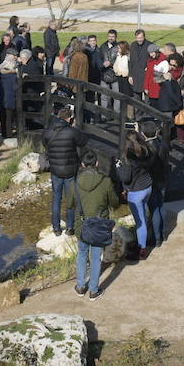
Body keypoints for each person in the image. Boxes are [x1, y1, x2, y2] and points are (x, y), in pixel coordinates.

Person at [69, 149, 118, 300]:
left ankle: (80, 286)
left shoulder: (74, 183)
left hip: (81, 225)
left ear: (82, 164)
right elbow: (114, 203)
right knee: (96, 257)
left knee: (82, 254)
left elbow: (70, 204)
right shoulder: (106, 181)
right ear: (97, 163)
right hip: (99, 225)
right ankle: (93, 290)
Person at [43, 107, 88, 236]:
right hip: (70, 170)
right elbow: (83, 142)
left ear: (58, 117)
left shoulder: (47, 131)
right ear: (69, 119)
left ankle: (56, 228)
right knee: (70, 199)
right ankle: (70, 227)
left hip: (55, 169)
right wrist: (74, 127)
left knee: (56, 198)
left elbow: (44, 144)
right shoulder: (72, 131)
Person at [117, 131, 155, 259]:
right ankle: (145, 240)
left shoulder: (128, 157)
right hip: (147, 186)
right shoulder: (146, 150)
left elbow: (125, 178)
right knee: (144, 215)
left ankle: (142, 250)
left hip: (136, 192)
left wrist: (118, 167)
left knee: (140, 221)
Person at [157, 54, 184, 142]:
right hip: (167, 104)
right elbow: (170, 91)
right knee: (166, 126)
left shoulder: (168, 74)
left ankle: (163, 142)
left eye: (174, 65)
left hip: (166, 103)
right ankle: (164, 144)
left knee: (165, 125)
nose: (172, 67)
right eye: (171, 64)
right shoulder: (167, 74)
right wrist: (179, 103)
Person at [0, 50, 20, 142]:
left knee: (4, 116)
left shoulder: (1, 69)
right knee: (9, 117)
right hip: (10, 97)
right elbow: (15, 86)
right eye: (14, 55)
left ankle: (4, 133)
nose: (15, 57)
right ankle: (9, 135)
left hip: (3, 97)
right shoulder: (12, 74)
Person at [128, 29, 152, 97]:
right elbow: (130, 62)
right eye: (137, 38)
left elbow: (155, 59)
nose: (139, 40)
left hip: (146, 76)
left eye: (141, 38)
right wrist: (130, 75)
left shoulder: (150, 45)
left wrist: (149, 67)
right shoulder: (133, 45)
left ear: (144, 37)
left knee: (147, 100)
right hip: (136, 76)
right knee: (136, 99)